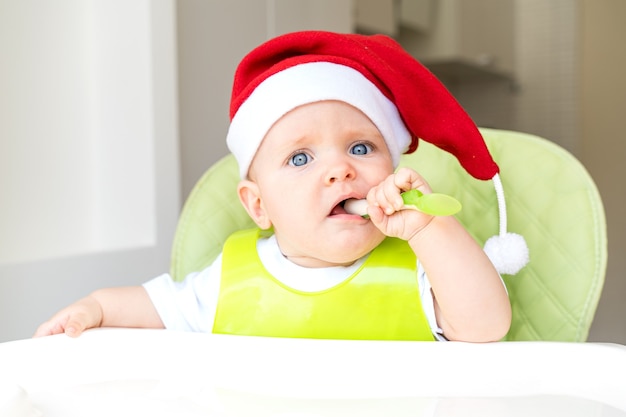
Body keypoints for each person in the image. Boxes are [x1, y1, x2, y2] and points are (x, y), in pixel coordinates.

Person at [35, 31, 527, 342]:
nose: (340, 171)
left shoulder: (421, 267)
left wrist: (429, 230)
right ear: (257, 205)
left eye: (360, 148)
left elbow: (486, 326)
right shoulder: (230, 279)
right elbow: (152, 308)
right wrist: (94, 307)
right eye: (300, 158)